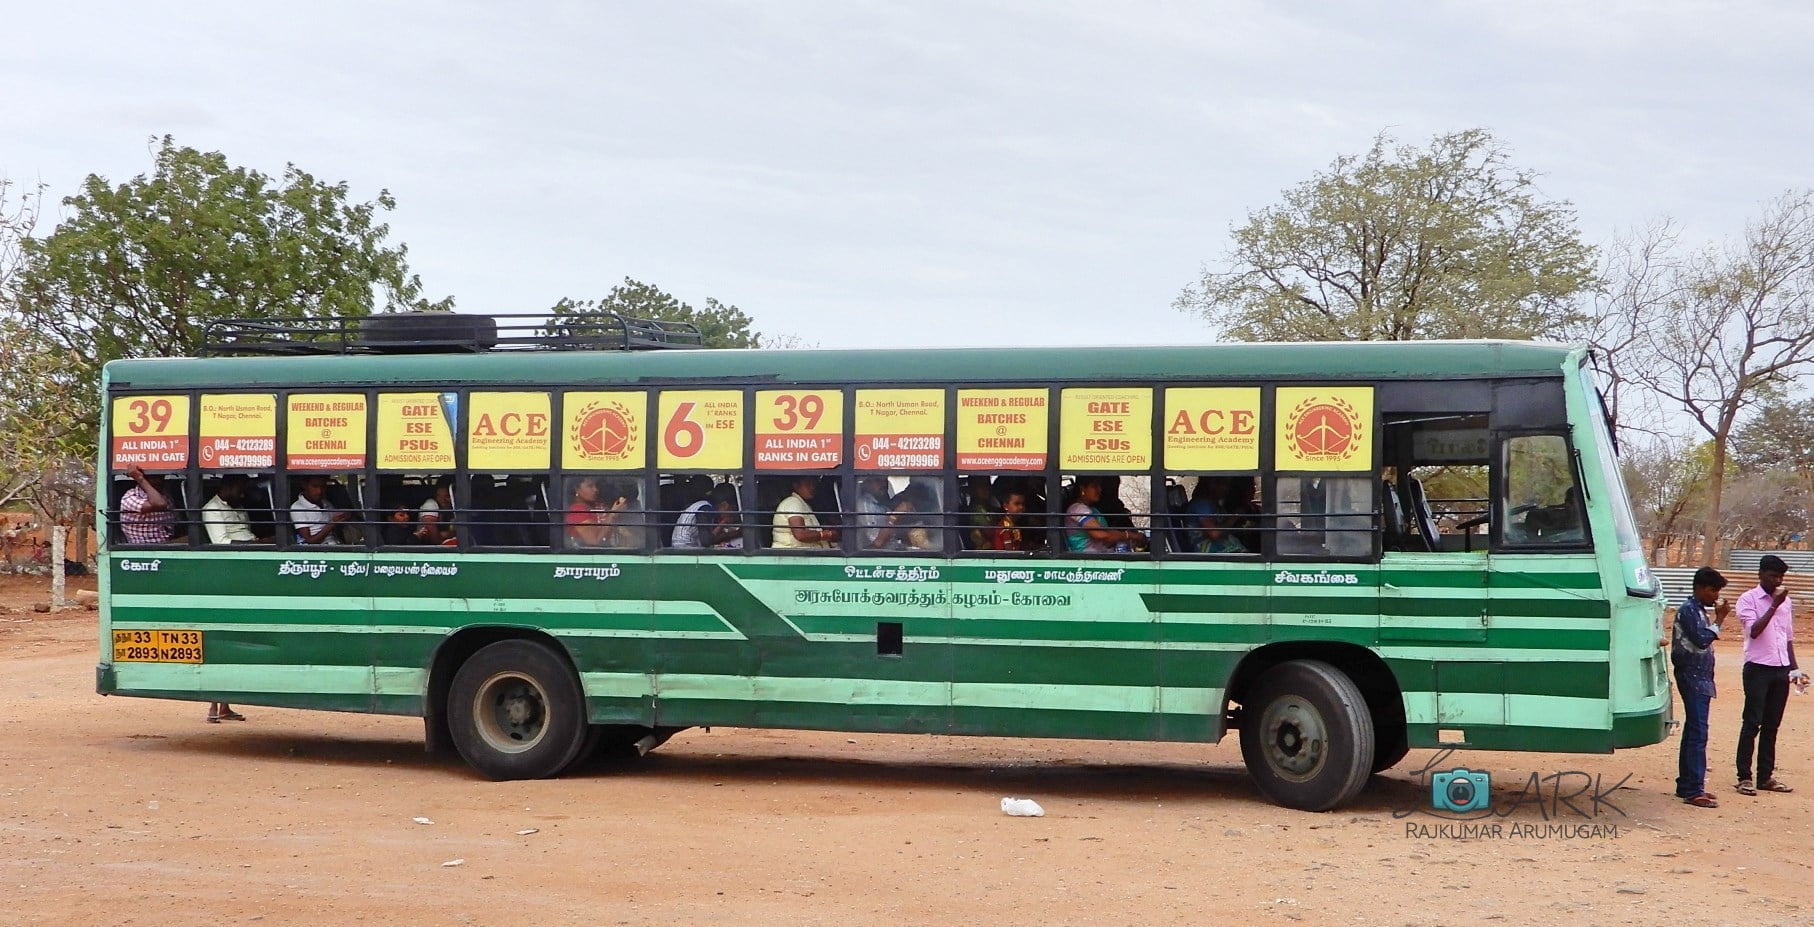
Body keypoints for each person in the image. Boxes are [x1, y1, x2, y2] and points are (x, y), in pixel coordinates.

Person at [1736, 554, 1800, 796]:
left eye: (1780, 577)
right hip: (1758, 668)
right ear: (1761, 574)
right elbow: (1754, 632)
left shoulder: (1787, 602)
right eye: (1773, 576)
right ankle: (1744, 777)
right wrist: (1773, 604)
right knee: (1752, 723)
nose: (1777, 581)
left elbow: (1788, 636)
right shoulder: (1748, 599)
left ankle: (1766, 776)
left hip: (1780, 668)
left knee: (1772, 725)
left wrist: (1794, 668)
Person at [1673, 566, 1729, 808]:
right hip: (1692, 676)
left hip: (1699, 676)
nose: (1715, 596)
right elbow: (1702, 639)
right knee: (1698, 733)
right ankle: (1694, 790)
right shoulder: (1689, 611)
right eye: (1712, 590)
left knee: (1693, 732)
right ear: (1699, 588)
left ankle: (1687, 783)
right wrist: (1720, 619)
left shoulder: (1697, 610)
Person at [1064, 477, 1145, 553]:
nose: (1100, 490)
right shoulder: (1077, 509)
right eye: (1094, 486)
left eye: (1100, 486)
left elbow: (1108, 534)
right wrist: (1130, 535)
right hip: (1088, 559)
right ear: (1082, 488)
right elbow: (1102, 535)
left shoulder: (1093, 510)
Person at [773, 476, 837, 549]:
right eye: (808, 484)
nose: (812, 487)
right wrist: (827, 534)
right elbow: (800, 535)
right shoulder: (793, 502)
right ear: (796, 486)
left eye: (813, 484)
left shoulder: (803, 503)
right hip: (793, 554)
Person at [119, 464, 175, 544]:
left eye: (161, 477)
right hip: (144, 549)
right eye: (153, 478)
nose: (159, 481)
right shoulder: (130, 497)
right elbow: (160, 504)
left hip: (168, 545)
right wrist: (140, 479)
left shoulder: (164, 495)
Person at [673, 484, 741, 548]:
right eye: (731, 509)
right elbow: (706, 542)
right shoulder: (705, 509)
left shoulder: (708, 508)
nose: (731, 513)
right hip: (683, 546)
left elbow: (711, 538)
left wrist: (731, 534)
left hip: (690, 544)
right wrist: (723, 522)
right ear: (724, 505)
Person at [291, 475, 351, 545]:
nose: (319, 491)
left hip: (335, 542)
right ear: (305, 486)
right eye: (315, 486)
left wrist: (344, 516)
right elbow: (310, 541)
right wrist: (332, 523)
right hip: (318, 549)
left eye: (323, 487)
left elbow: (337, 521)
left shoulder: (326, 502)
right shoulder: (298, 508)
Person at [201, 475, 259, 545]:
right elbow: (221, 543)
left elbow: (247, 530)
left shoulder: (238, 505)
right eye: (239, 492)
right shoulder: (213, 509)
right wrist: (252, 545)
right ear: (226, 488)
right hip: (238, 551)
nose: (242, 496)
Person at [854, 475, 900, 549]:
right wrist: (895, 514)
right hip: (875, 554)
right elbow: (878, 542)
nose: (884, 484)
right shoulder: (864, 505)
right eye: (878, 480)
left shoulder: (882, 505)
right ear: (868, 484)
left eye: (885, 481)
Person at [565, 477, 610, 548]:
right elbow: (593, 542)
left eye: (596, 486)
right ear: (577, 489)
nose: (596, 490)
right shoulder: (577, 512)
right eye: (590, 486)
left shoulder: (597, 506)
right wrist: (613, 515)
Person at [963, 475, 1002, 550]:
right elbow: (990, 531)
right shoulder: (975, 510)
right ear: (972, 488)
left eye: (987, 484)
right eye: (981, 485)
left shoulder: (990, 506)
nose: (986, 488)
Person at [414, 479, 456, 545]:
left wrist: (449, 534)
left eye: (447, 496)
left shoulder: (453, 505)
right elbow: (430, 525)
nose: (443, 500)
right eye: (439, 496)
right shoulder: (430, 504)